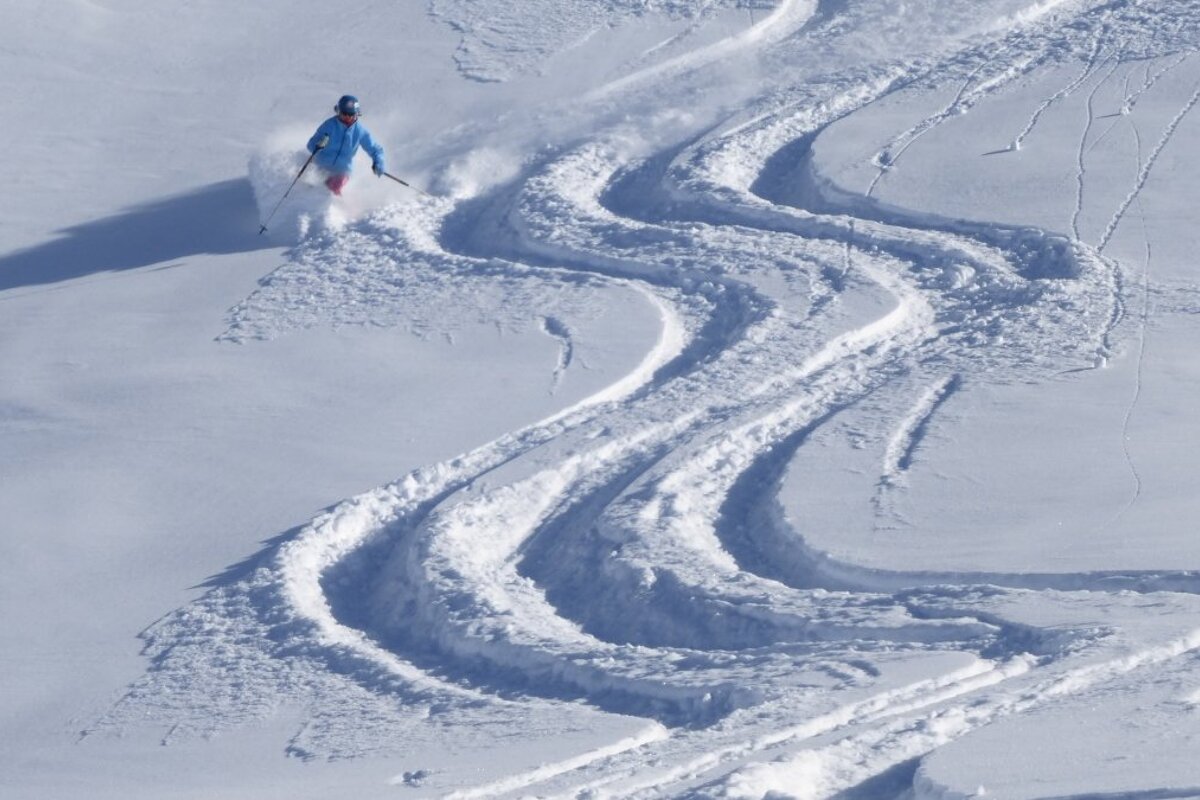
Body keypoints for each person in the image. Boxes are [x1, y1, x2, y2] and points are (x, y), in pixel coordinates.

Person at [307, 95, 385, 195]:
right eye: (344, 114)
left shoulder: (359, 131)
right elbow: (310, 145)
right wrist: (318, 145)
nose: (348, 117)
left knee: (334, 187)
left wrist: (379, 162)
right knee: (313, 187)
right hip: (321, 165)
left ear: (357, 114)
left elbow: (376, 150)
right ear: (338, 112)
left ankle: (334, 203)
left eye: (351, 114)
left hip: (342, 171)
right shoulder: (329, 125)